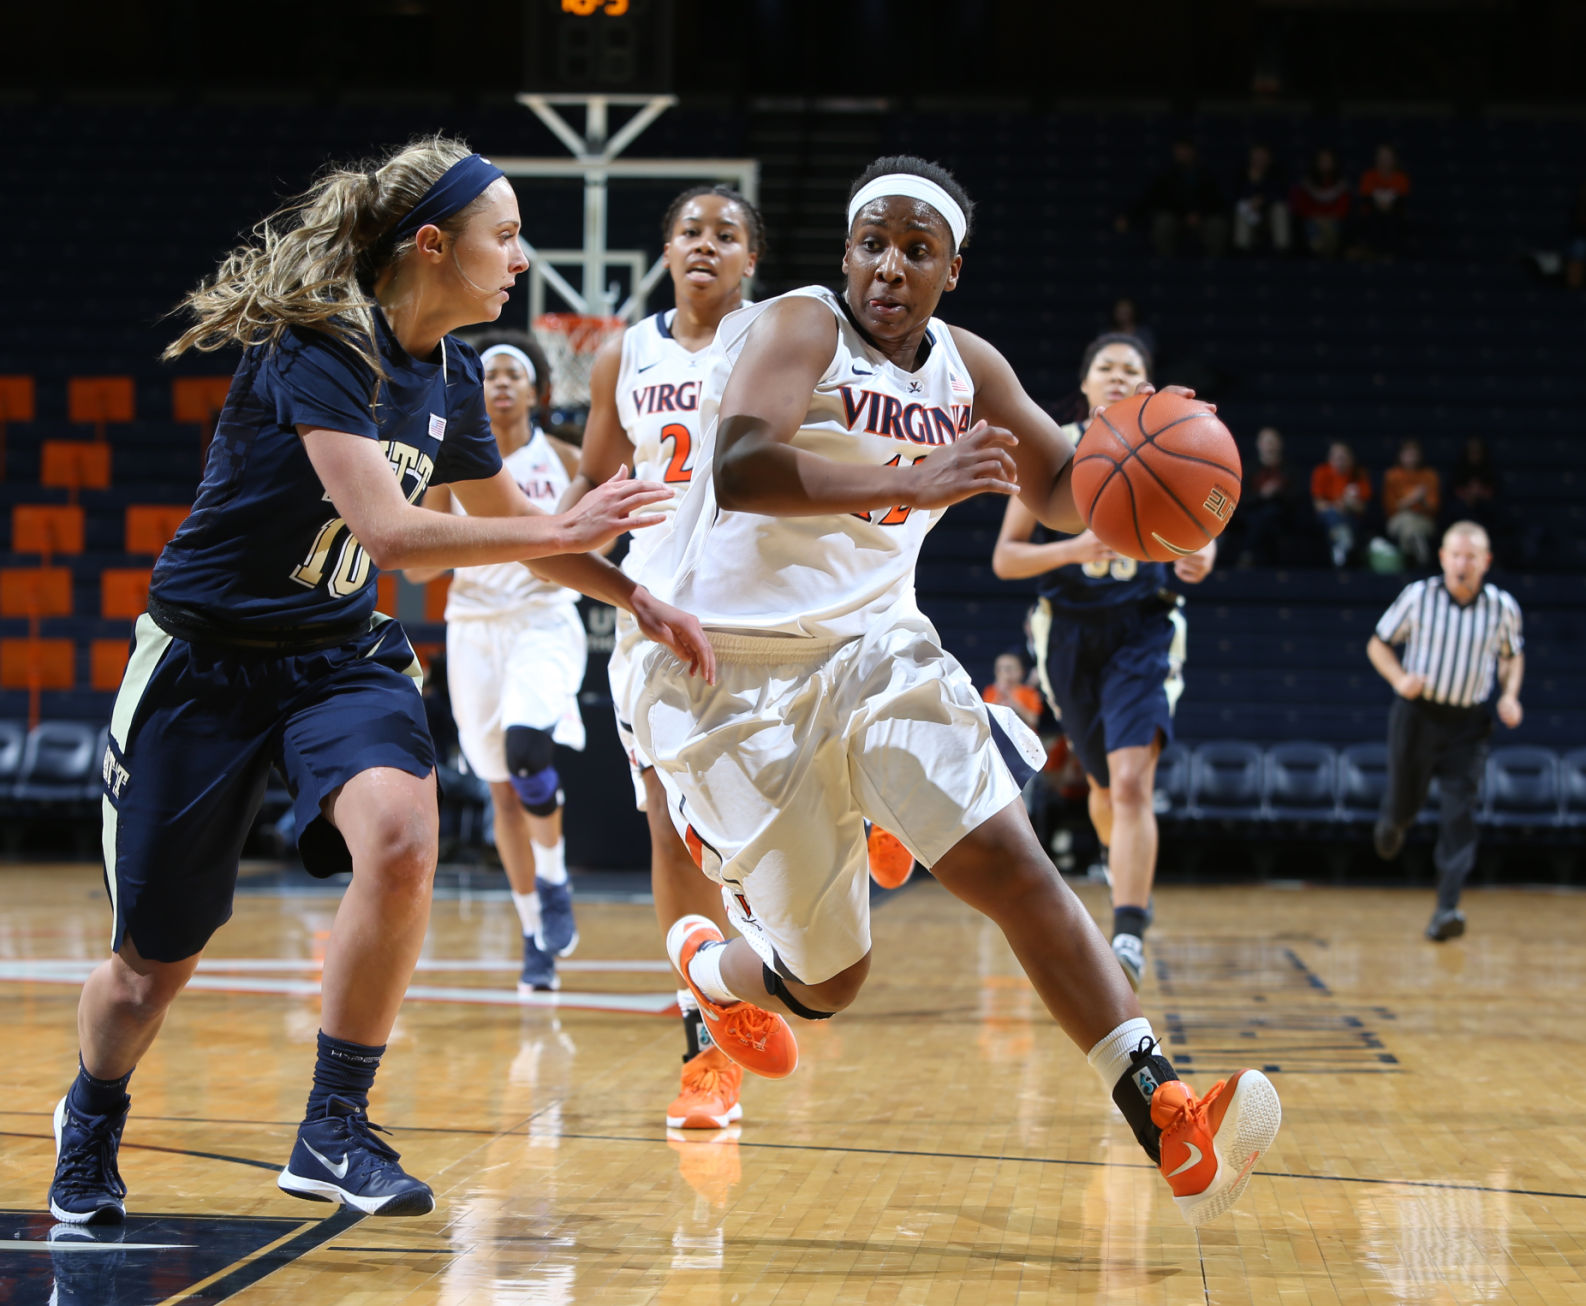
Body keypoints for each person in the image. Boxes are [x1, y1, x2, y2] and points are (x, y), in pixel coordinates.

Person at [46, 136, 715, 1225]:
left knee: (405, 835)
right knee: (144, 974)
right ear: (433, 245)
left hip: (335, 658)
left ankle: (334, 1124)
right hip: (203, 667)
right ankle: (92, 1111)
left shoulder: (449, 379)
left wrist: (630, 596)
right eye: (504, 235)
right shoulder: (321, 344)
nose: (522, 257)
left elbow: (514, 536)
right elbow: (390, 533)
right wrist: (565, 520)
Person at [632, 155, 1279, 1227]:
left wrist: (1166, 495)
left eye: (914, 250)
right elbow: (741, 464)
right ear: (845, 256)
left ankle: (1165, 1111)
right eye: (871, 244)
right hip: (731, 674)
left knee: (1012, 864)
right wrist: (904, 478)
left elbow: (1071, 488)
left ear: (950, 270)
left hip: (878, 650)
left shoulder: (966, 368)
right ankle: (712, 964)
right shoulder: (797, 327)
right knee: (830, 982)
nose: (889, 265)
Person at [991, 332, 1215, 990]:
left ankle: (1129, 929)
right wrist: (1072, 549)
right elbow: (1007, 559)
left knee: (1131, 784)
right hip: (1068, 633)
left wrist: (1201, 555)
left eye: (1132, 369)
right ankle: (1125, 882)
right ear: (1086, 383)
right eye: (1106, 367)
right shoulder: (1053, 449)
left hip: (1142, 627)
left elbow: (1202, 528)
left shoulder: (1171, 440)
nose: (1118, 376)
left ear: (1147, 386)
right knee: (1099, 786)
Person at [402, 331, 587, 993]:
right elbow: (420, 566)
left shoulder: (568, 460)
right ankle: (535, 933)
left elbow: (594, 542)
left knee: (528, 753)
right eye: (488, 373)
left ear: (538, 391)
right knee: (501, 791)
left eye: (513, 372)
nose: (500, 382)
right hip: (474, 629)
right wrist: (489, 535)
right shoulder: (452, 467)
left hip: (542, 622)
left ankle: (557, 877)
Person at [1367, 522, 1523, 941]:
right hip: (1417, 715)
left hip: (1468, 724)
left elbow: (1512, 656)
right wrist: (1400, 679)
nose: (1462, 563)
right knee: (1405, 803)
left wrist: (1509, 694)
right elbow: (1378, 643)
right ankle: (1393, 822)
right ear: (1442, 558)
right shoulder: (1419, 596)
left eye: (1471, 557)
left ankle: (1447, 909)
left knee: (1459, 815)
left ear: (1485, 562)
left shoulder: (1502, 607)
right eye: (1456, 555)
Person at [1116, 138, 1228, 258]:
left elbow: (1216, 201)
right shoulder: (1167, 175)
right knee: (1163, 223)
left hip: (1203, 219)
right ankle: (1167, 267)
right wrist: (1129, 217)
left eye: (1185, 149)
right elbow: (1148, 198)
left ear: (1192, 151)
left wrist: (1199, 214)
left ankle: (1213, 267)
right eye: (1178, 149)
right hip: (1176, 218)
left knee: (1217, 225)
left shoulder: (1206, 174)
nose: (1181, 153)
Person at [1380, 436, 1441, 567]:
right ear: (1400, 455)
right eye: (1408, 453)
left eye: (1414, 453)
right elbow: (1391, 508)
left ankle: (1408, 562)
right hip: (1398, 519)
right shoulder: (1392, 475)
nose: (1411, 457)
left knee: (1411, 528)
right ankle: (1422, 559)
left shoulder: (1429, 475)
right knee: (1408, 525)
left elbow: (1433, 509)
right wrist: (1412, 499)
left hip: (1423, 519)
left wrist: (1422, 500)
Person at [1311, 439, 1372, 566]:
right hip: (1329, 517)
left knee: (1346, 520)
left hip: (1351, 517)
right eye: (1336, 456)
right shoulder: (1322, 472)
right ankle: (1342, 543)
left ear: (1351, 458)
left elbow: (1362, 508)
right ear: (1330, 458)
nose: (1340, 460)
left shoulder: (1359, 474)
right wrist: (1337, 506)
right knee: (1332, 515)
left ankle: (1341, 546)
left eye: (1343, 456)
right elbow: (1319, 505)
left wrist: (1349, 505)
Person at [1230, 143, 1291, 254]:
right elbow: (1235, 195)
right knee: (1242, 207)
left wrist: (1263, 200)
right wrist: (1252, 187)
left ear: (1269, 159)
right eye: (1256, 157)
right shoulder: (1242, 173)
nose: (1259, 160)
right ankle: (1241, 249)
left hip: (1269, 215)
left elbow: (1282, 194)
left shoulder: (1277, 172)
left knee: (1280, 208)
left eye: (1262, 157)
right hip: (1250, 214)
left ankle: (1282, 249)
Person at [1290, 147, 1351, 258]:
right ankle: (1316, 253)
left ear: (1334, 163)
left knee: (1333, 227)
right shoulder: (1307, 183)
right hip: (1313, 221)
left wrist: (1327, 218)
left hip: (1333, 221)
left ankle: (1330, 255)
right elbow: (1303, 207)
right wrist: (1318, 218)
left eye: (1328, 160)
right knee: (1311, 227)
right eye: (1322, 160)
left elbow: (1343, 209)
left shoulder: (1341, 184)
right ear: (1316, 162)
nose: (1325, 164)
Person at [1356, 143, 1411, 260]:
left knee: (1393, 220)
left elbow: (1401, 201)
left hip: (1393, 216)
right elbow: (1366, 198)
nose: (1384, 160)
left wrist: (1387, 206)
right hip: (1371, 216)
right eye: (1381, 157)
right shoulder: (1368, 176)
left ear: (1394, 159)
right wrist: (1380, 205)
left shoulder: (1401, 178)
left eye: (1387, 157)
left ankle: (1389, 254)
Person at [983, 650, 1042, 732]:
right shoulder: (991, 690)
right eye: (999, 669)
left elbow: (1033, 721)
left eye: (1009, 669)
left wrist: (1011, 699)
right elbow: (986, 719)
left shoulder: (1029, 691)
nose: (1004, 673)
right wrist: (1000, 695)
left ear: (1021, 671)